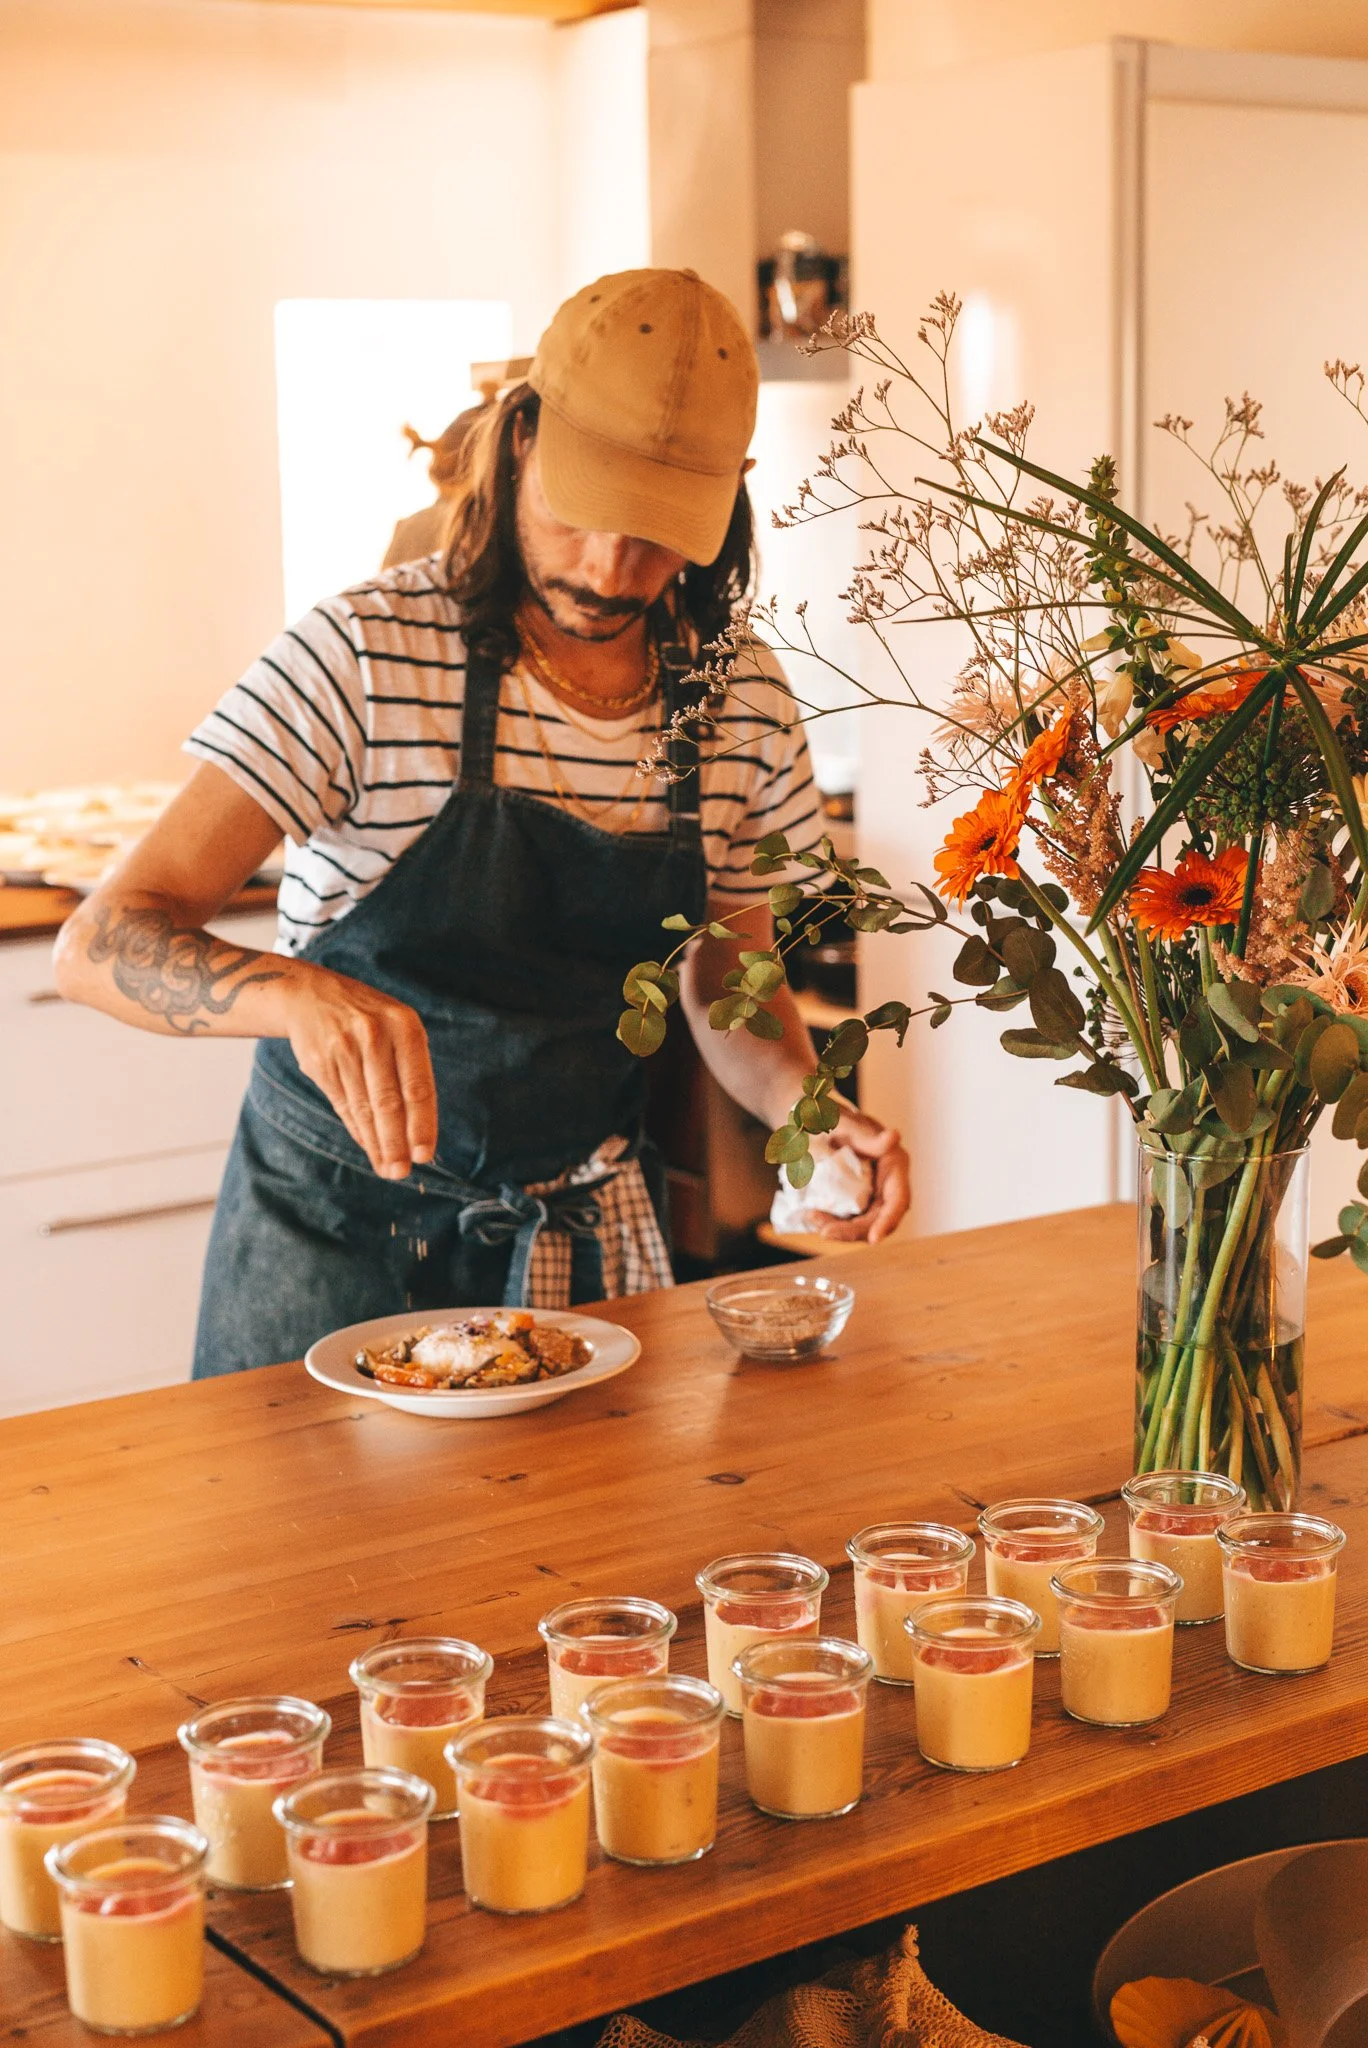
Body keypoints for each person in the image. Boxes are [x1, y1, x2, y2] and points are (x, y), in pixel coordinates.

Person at [54, 268, 910, 1377]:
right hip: (332, 1238)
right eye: (582, 509)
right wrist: (296, 994)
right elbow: (99, 941)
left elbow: (725, 978)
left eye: (654, 532)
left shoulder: (737, 695)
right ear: (519, 443)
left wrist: (806, 1105)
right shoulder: (363, 651)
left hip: (577, 1249)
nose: (609, 569)